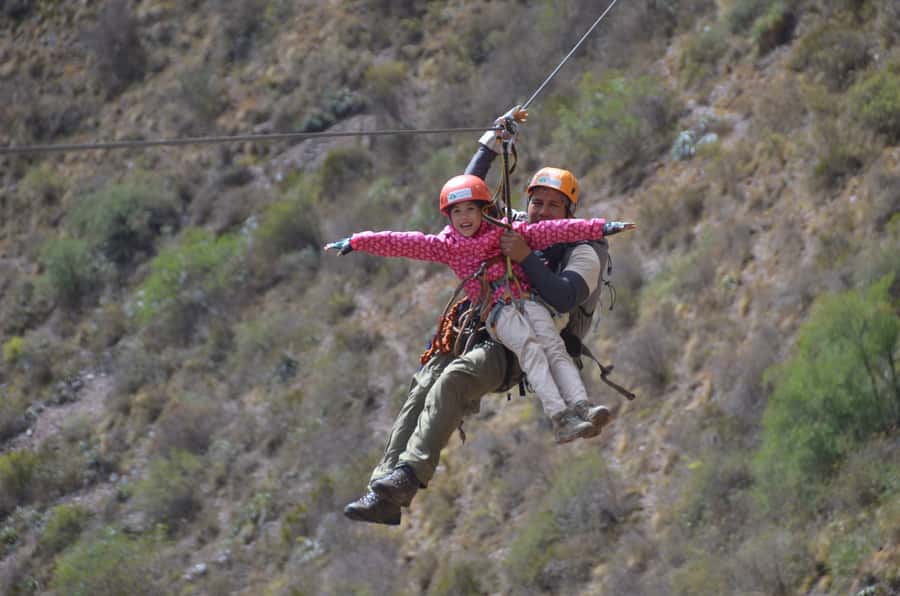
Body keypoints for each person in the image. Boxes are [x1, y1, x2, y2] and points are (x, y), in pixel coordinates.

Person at [337, 113, 627, 526]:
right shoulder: (514, 225)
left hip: (528, 346)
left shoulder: (584, 247)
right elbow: (464, 202)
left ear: (569, 209)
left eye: (553, 205)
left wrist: (525, 257)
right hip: (488, 326)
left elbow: (565, 296)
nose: (542, 212)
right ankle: (383, 491)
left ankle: (408, 475)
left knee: (455, 379)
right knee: (424, 385)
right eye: (537, 202)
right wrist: (490, 143)